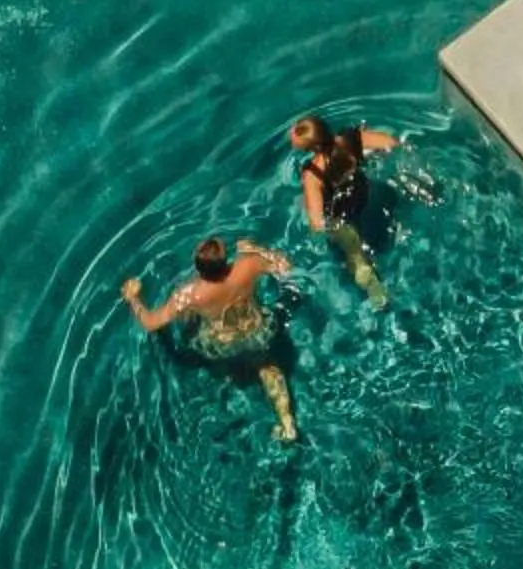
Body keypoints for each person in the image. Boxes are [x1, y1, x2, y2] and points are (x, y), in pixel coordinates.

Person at [123, 236, 299, 441]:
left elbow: (150, 322)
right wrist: (255, 249)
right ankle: (287, 425)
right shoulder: (248, 264)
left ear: (198, 269)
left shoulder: (189, 295)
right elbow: (286, 266)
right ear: (225, 261)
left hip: (224, 343)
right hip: (258, 329)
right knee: (267, 367)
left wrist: (133, 298)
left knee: (191, 327)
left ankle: (233, 380)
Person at [291, 114, 399, 309]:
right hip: (363, 194)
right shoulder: (351, 138)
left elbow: (316, 223)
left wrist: (317, 239)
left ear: (312, 148)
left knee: (355, 257)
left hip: (342, 218)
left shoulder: (312, 174)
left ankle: (378, 294)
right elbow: (391, 143)